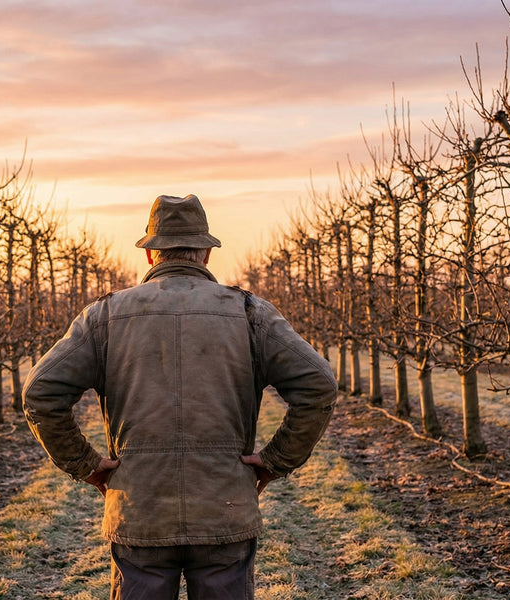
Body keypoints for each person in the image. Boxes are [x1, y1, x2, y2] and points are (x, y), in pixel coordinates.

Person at [23, 194, 337, 600]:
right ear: (206, 252)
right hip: (224, 508)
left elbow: (40, 392)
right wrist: (275, 462)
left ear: (151, 254)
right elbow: (319, 384)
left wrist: (87, 466)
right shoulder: (250, 313)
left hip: (139, 511)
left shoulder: (105, 316)